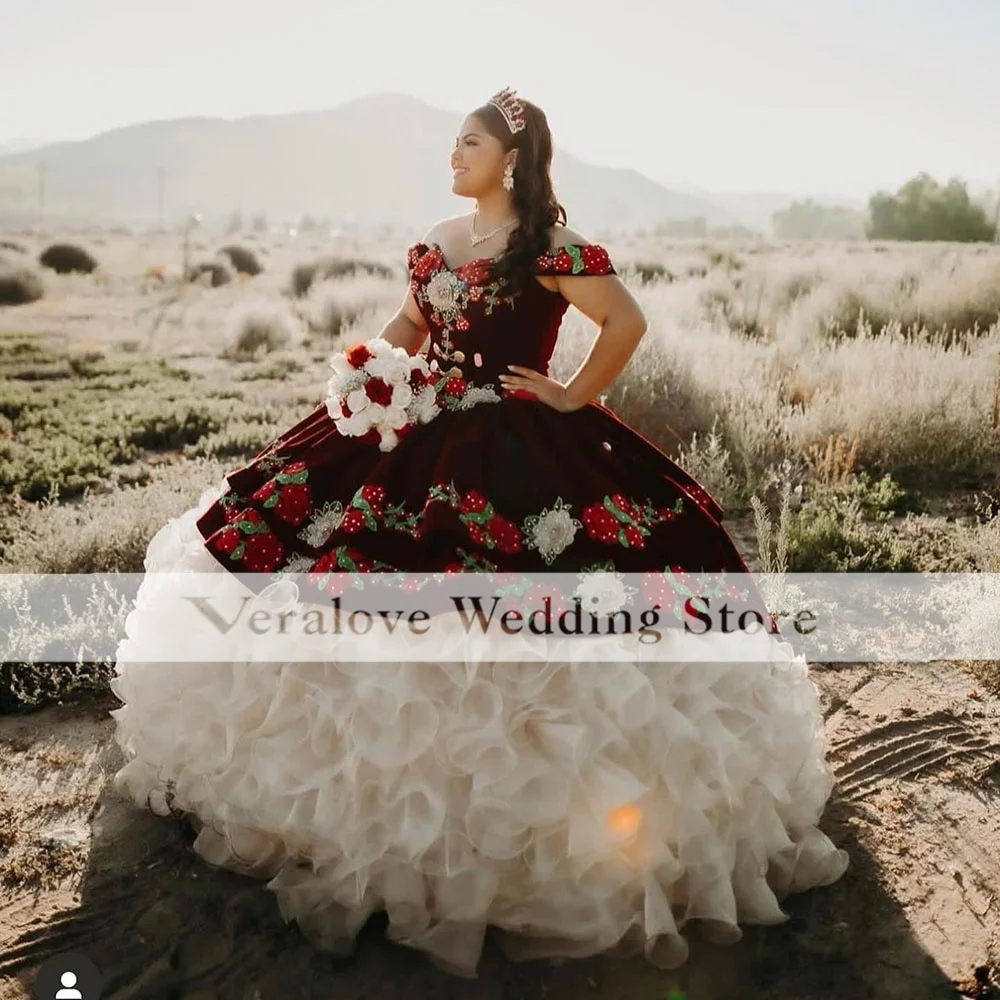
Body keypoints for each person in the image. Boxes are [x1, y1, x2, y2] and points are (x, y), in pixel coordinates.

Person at [110, 87, 848, 978]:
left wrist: (576, 394)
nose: (452, 157)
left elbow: (625, 321)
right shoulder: (437, 239)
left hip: (521, 443)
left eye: (467, 145)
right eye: (452, 144)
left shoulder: (550, 247)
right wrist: (370, 370)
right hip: (424, 427)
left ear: (510, 158)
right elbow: (411, 325)